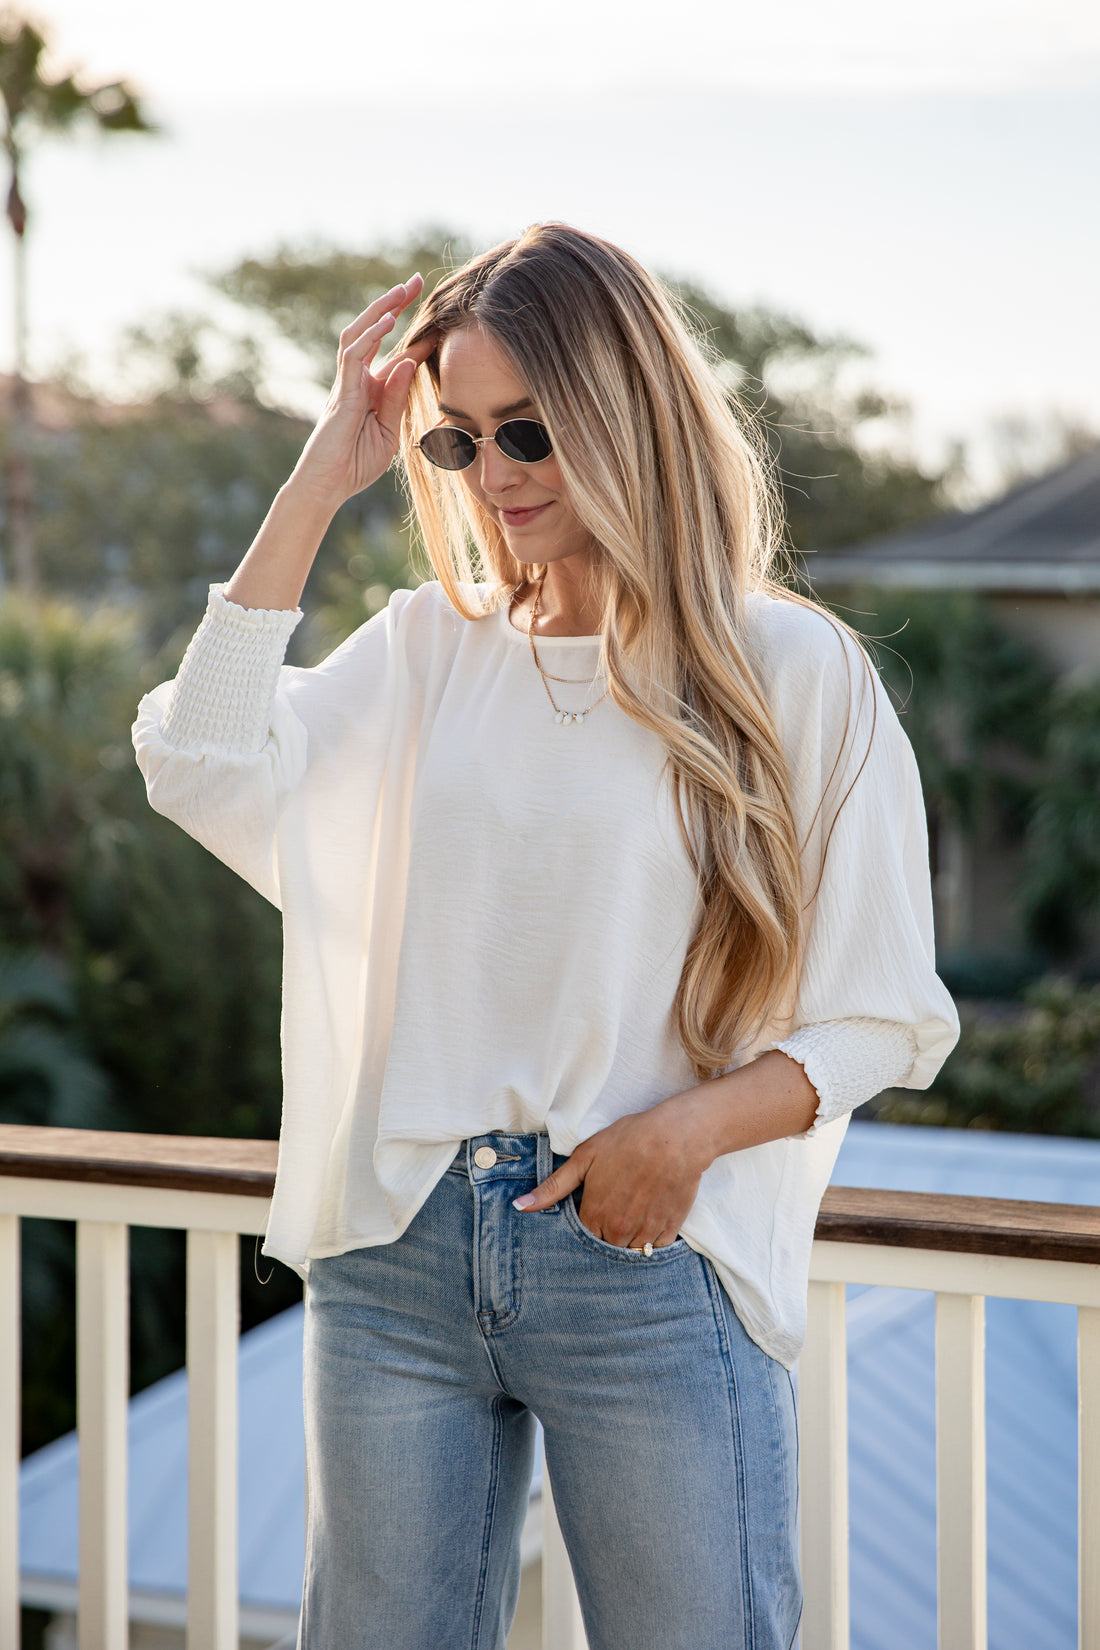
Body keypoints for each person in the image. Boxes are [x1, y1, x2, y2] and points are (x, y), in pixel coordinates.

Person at [133, 222, 958, 1650]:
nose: (494, 474)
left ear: (623, 411)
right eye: (455, 443)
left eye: (527, 431)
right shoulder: (424, 652)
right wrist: (325, 472)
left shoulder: (788, 670)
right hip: (399, 1258)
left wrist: (683, 1136)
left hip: (646, 1253)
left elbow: (882, 1013)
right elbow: (198, 758)